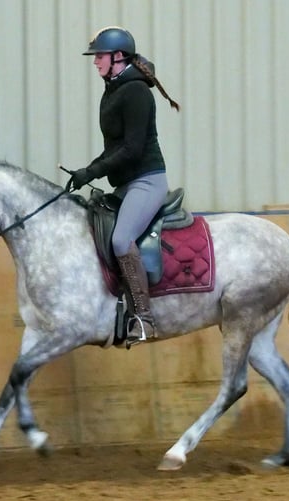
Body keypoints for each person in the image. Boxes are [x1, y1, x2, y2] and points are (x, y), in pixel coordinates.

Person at [70, 26, 180, 346]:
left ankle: (144, 318)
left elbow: (131, 149)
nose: (95, 62)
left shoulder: (135, 93)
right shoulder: (113, 89)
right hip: (126, 183)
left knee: (120, 240)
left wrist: (92, 172)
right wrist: (87, 171)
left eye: (99, 56)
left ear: (118, 57)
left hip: (146, 181)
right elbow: (113, 148)